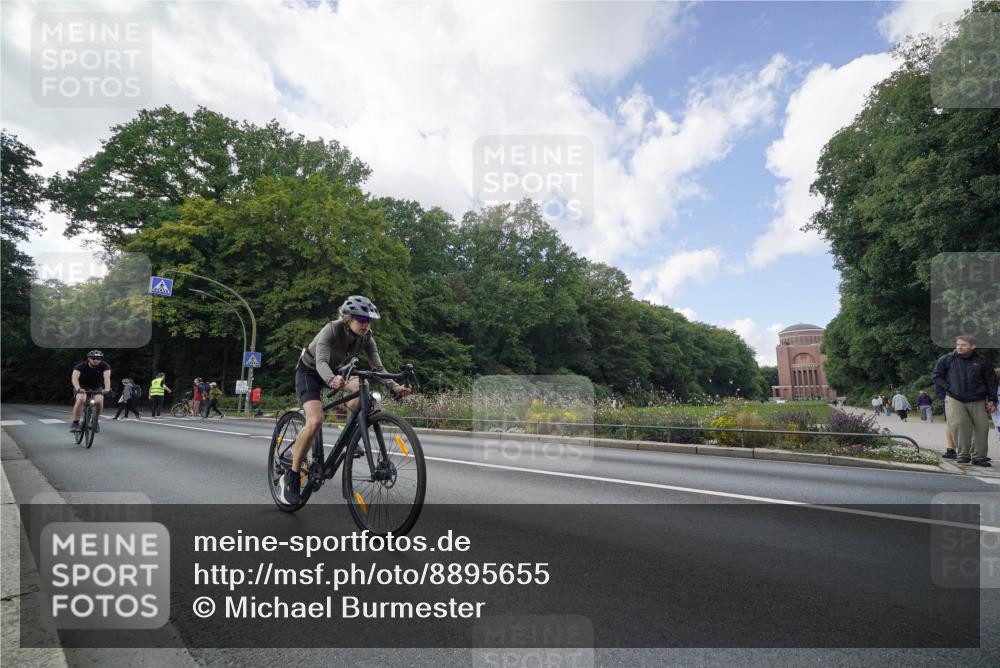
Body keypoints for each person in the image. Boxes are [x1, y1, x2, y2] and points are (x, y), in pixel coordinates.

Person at [279, 295, 413, 505]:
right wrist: (332, 380)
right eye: (361, 320)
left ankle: (349, 433)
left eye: (369, 320)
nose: (366, 324)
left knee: (363, 385)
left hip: (337, 373)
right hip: (310, 371)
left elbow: (378, 368)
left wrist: (395, 386)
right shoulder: (331, 330)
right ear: (347, 317)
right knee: (315, 420)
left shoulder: (367, 338)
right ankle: (292, 476)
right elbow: (321, 361)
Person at [933, 335, 998, 467]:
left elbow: (991, 381)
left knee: (982, 427)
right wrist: (948, 387)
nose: (959, 347)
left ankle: (979, 457)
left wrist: (992, 399)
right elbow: (937, 376)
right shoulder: (947, 359)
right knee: (959, 425)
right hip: (955, 398)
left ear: (972, 346)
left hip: (978, 398)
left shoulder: (982, 361)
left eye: (963, 345)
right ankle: (963, 455)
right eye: (958, 345)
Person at [70, 350, 111, 433]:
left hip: (96, 387)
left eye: (99, 358)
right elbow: (74, 378)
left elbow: (106, 378)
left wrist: (107, 388)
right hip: (81, 387)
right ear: (89, 358)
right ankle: (75, 423)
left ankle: (95, 422)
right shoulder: (81, 366)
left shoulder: (105, 366)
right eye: (93, 358)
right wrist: (78, 388)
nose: (96, 360)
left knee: (99, 400)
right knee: (81, 399)